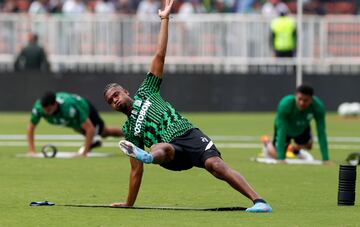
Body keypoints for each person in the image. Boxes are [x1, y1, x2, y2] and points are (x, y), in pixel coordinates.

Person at [103, 0, 272, 213]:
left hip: (189, 134)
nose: (115, 100)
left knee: (216, 167)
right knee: (160, 147)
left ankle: (260, 202)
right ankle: (148, 156)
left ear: (126, 91)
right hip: (171, 153)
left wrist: (164, 19)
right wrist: (129, 203)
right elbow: (135, 171)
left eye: (116, 95)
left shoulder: (147, 90)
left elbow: (159, 55)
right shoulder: (129, 131)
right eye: (110, 101)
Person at [27, 91, 123, 157]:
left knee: (103, 132)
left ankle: (128, 132)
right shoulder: (39, 108)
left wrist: (84, 153)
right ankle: (93, 142)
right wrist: (31, 151)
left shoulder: (69, 108)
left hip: (85, 109)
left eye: (48, 110)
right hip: (73, 121)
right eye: (44, 110)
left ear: (55, 104)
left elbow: (90, 129)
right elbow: (30, 128)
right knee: (81, 129)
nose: (46, 112)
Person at [261, 85, 331, 165]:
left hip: (302, 128)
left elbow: (321, 132)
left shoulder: (318, 107)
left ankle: (294, 150)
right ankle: (267, 143)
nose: (302, 103)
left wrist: (326, 159)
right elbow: (281, 131)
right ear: (295, 96)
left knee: (309, 146)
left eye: (306, 100)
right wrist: (281, 158)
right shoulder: (285, 104)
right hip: (285, 129)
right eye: (299, 99)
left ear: (311, 100)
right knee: (276, 155)